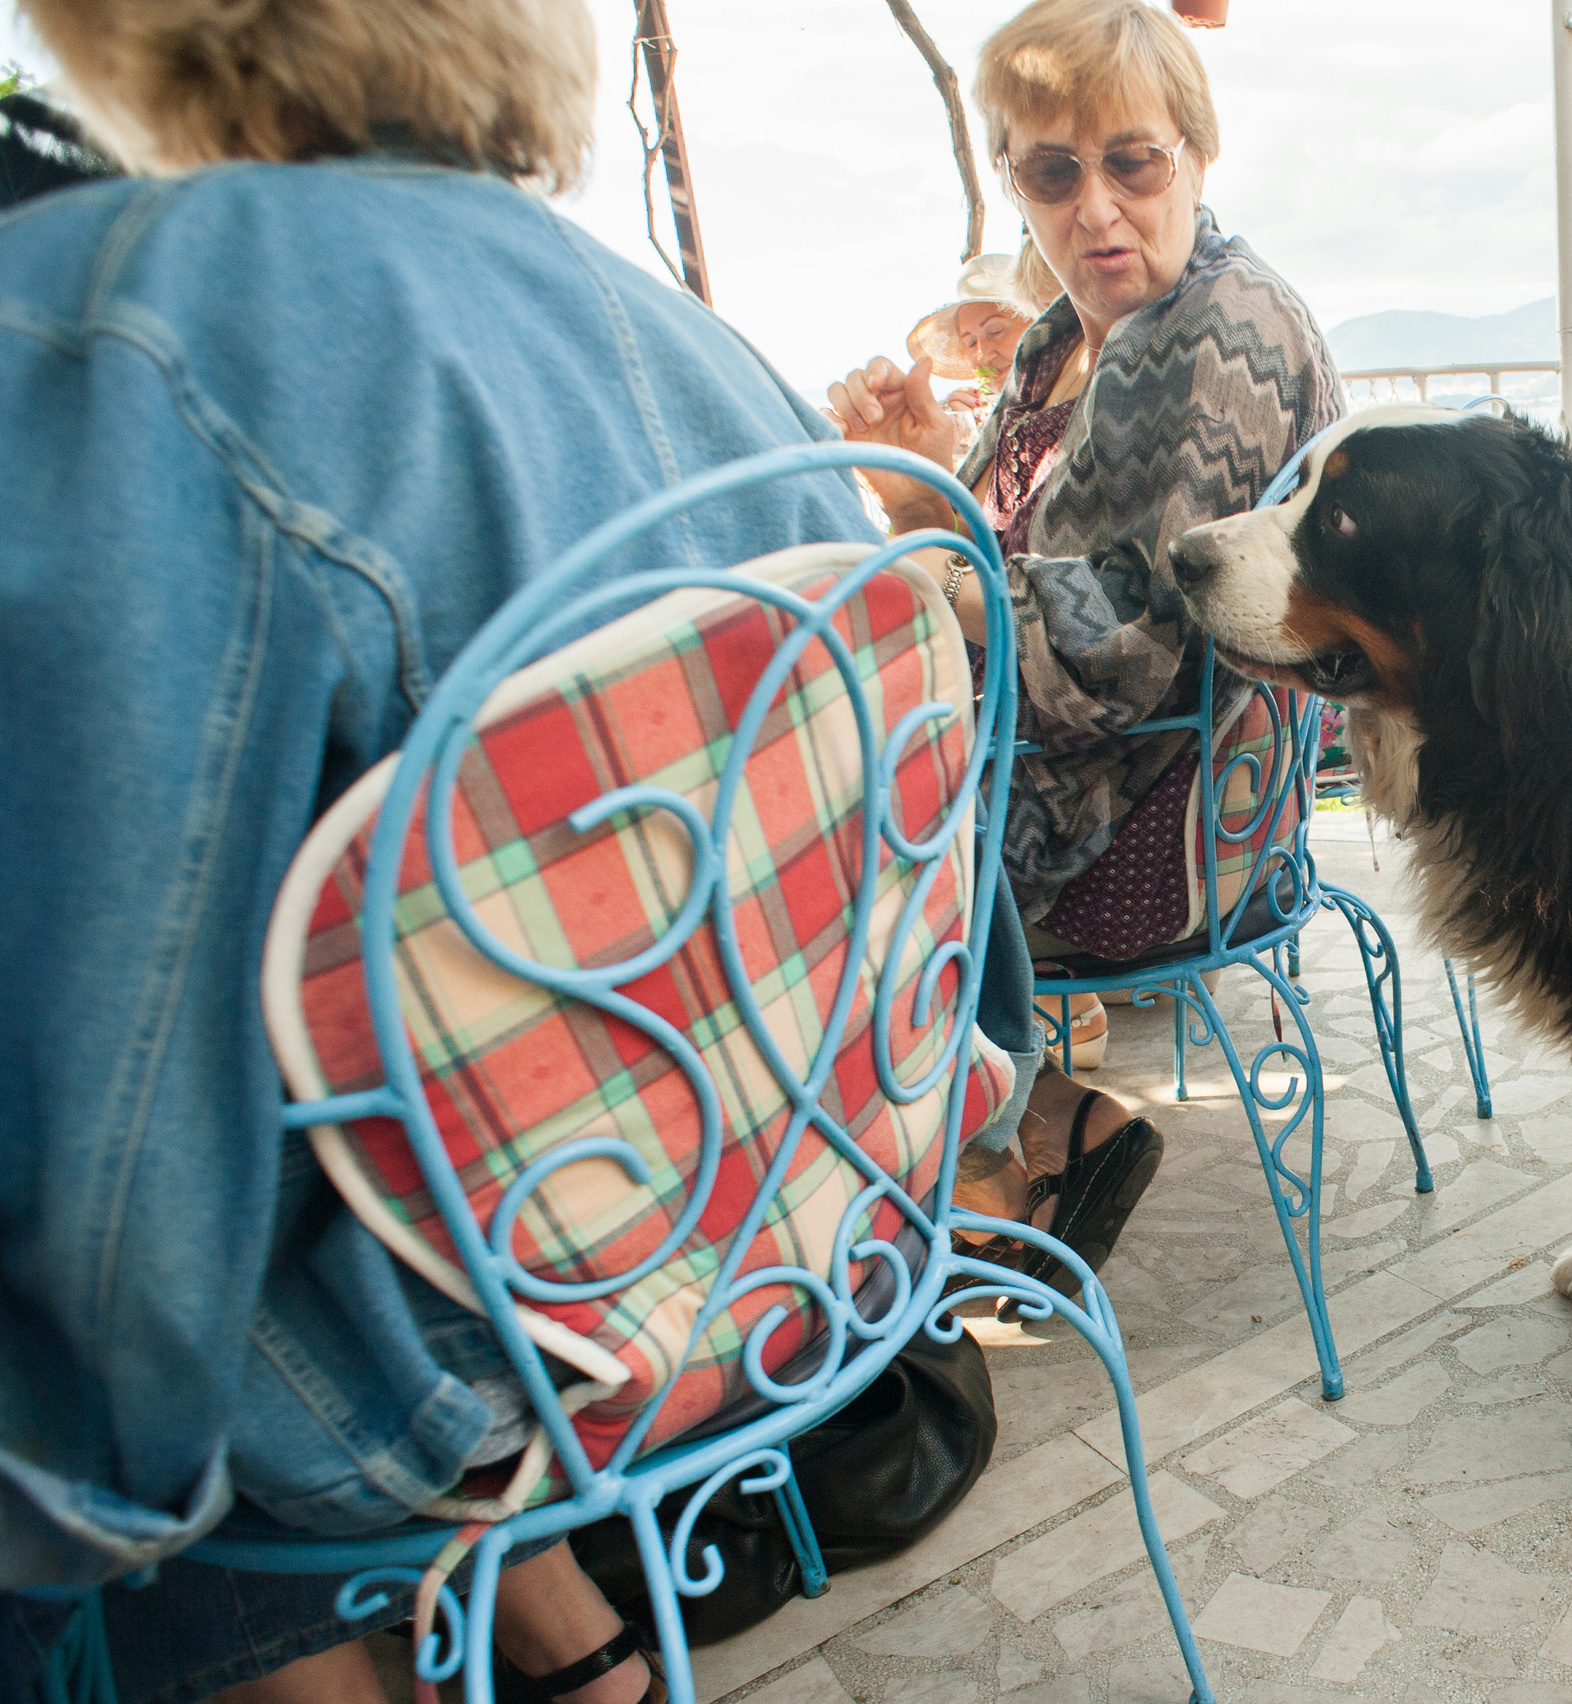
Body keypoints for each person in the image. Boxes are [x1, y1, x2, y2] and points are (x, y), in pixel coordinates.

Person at [0, 2, 940, 1699]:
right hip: (784, 1249)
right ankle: (568, 1647)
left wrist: (58, 1490)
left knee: (137, 1345)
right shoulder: (729, 365)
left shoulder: (122, 321)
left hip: (481, 1338)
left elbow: (105, 1144)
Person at [828, 0, 1344, 1293]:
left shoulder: (1214, 336)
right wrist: (915, 495)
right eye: (1055, 174)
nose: (1097, 210)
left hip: (1156, 813)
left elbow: (1102, 655)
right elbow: (1023, 563)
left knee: (800, 862)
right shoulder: (1072, 336)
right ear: (1014, 180)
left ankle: (1008, 1144)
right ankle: (1015, 1129)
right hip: (1082, 759)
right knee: (785, 814)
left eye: (1134, 162)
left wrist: (926, 589)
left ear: (1197, 154)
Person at [899, 250, 1037, 453]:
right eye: (971, 343)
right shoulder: (976, 415)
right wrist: (963, 439)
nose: (981, 355)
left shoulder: (1075, 392)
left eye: (995, 331)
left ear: (1037, 322)